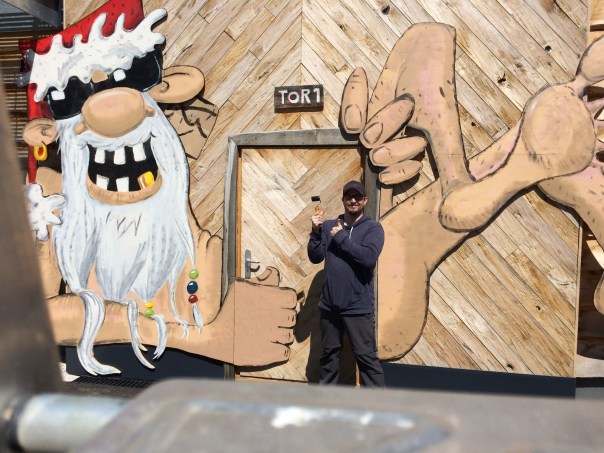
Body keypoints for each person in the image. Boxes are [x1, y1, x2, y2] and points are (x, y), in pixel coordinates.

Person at [308, 180, 385, 387]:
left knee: (367, 359)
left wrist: (341, 237)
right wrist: (316, 232)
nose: (353, 201)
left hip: (358, 307)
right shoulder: (329, 226)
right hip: (329, 306)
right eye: (349, 197)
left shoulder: (373, 228)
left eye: (357, 197)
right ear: (342, 200)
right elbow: (315, 257)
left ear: (364, 200)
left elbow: (368, 258)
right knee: (329, 356)